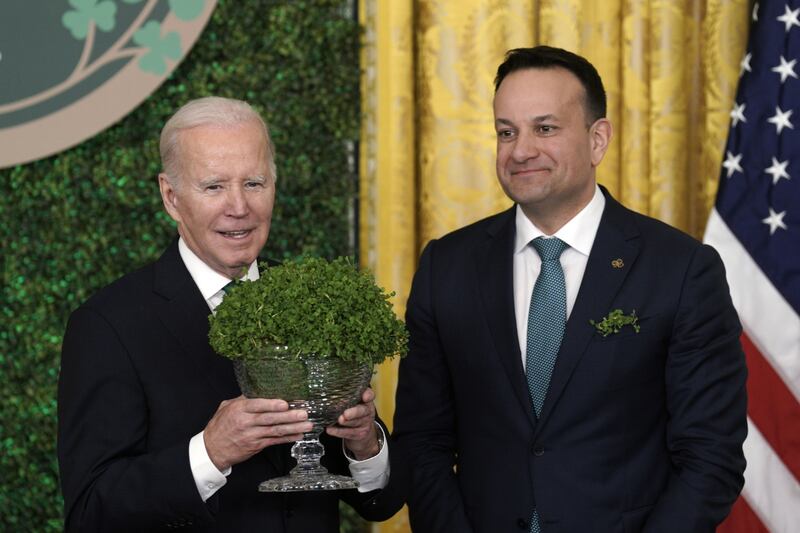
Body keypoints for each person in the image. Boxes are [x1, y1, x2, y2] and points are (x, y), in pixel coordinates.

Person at [393, 46, 747, 532]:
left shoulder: (682, 270)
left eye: (545, 128)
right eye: (506, 132)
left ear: (598, 139)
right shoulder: (446, 267)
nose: (520, 151)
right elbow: (423, 442)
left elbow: (712, 458)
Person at [58, 96, 406, 532]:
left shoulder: (314, 303)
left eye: (254, 183)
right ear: (171, 196)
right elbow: (91, 512)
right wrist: (210, 451)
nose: (239, 207)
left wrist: (364, 443)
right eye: (214, 186)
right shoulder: (108, 326)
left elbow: (383, 502)